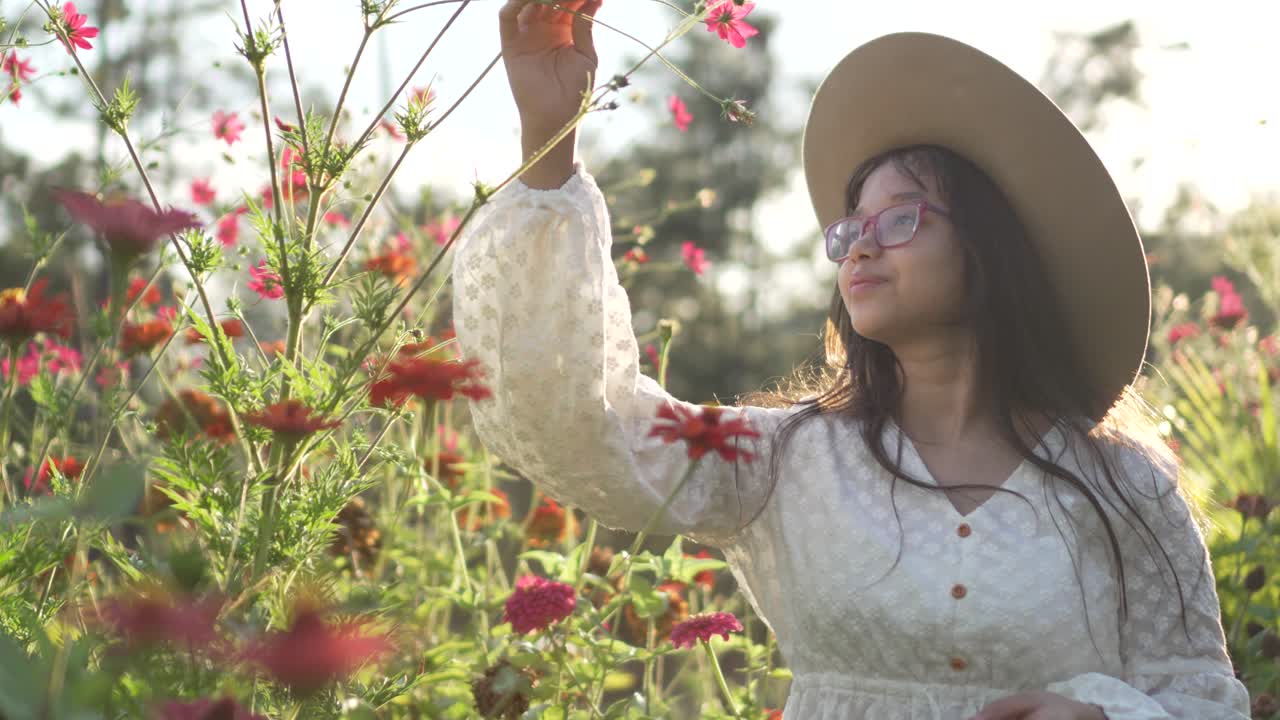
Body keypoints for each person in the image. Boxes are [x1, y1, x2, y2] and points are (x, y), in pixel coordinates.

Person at [451, 2, 1253, 718]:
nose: (858, 244)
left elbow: (1201, 694)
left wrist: (1099, 718)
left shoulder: (1123, 483)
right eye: (848, 227)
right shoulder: (783, 458)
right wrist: (548, 142)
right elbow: (583, 424)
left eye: (899, 218)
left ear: (992, 246)